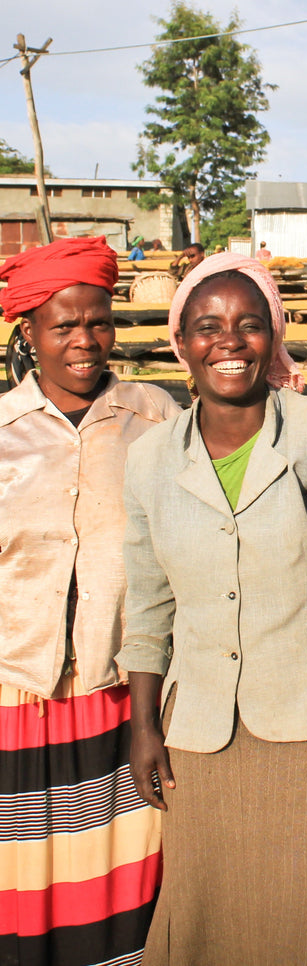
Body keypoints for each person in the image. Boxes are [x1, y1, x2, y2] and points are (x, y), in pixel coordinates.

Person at [118, 253, 307, 966]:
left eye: (248, 325)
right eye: (207, 327)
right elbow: (147, 601)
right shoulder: (149, 459)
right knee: (202, 913)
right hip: (198, 732)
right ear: (182, 345)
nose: (228, 342)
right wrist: (143, 727)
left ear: (274, 336)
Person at [0, 237, 179, 965]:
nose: (84, 341)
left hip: (120, 693)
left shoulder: (154, 416)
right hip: (18, 695)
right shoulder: (3, 432)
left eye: (98, 321)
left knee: (118, 879)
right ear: (28, 333)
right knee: (24, 877)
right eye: (62, 325)